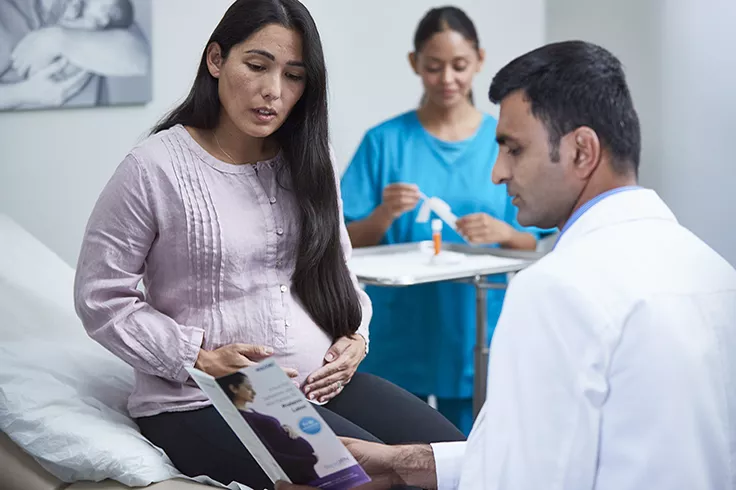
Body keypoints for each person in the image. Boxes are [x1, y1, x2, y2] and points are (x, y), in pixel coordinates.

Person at [279, 40, 736, 490]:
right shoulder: (715, 274)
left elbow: (519, 479)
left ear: (581, 151)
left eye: (513, 149)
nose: (497, 172)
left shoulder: (558, 289)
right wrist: (404, 463)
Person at [73, 1, 464, 488]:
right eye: (257, 66)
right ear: (217, 60)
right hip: (214, 394)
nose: (273, 91)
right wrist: (198, 357)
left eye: (294, 75)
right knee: (361, 481)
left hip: (319, 387)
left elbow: (340, 270)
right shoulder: (154, 168)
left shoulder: (309, 157)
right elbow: (101, 297)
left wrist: (356, 337)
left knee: (454, 459)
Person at [340, 6, 551, 435]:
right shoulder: (385, 143)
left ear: (479, 59)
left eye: (459, 66)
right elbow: (341, 240)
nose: (447, 79)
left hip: (473, 334)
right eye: (434, 67)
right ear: (415, 64)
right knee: (393, 451)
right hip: (400, 335)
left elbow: (536, 241)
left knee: (473, 450)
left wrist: (504, 233)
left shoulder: (504, 141)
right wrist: (383, 215)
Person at [0, 0, 146, 110]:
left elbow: (142, 58)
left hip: (88, 134)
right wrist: (25, 93)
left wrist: (56, 39)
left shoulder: (95, 8)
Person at [218, 372, 319, 484]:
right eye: (248, 388)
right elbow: (268, 454)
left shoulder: (251, 412)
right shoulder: (242, 418)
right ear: (234, 388)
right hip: (295, 470)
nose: (254, 392)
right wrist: (308, 460)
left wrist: (283, 429)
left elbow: (271, 433)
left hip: (304, 466)